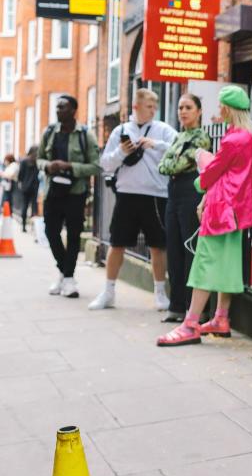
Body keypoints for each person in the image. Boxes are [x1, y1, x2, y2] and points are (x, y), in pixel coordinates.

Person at [156, 86, 252, 347]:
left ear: (227, 108)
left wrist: (201, 171)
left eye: (221, 104)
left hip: (221, 209)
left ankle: (190, 324)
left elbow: (212, 173)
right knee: (227, 264)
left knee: (204, 263)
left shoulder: (234, 139)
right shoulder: (245, 136)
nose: (218, 109)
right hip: (236, 210)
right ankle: (221, 317)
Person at [92, 88, 178, 311]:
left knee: (158, 246)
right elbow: (105, 164)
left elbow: (180, 149)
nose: (153, 111)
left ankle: (160, 293)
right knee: (117, 243)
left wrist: (156, 144)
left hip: (156, 195)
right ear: (136, 107)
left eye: (154, 107)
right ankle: (108, 292)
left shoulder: (163, 130)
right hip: (127, 195)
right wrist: (121, 152)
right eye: (149, 106)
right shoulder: (121, 130)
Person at [36, 96, 102, 298]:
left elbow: (96, 166)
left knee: (74, 235)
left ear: (73, 110)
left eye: (62, 107)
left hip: (75, 193)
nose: (58, 110)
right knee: (50, 232)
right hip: (53, 192)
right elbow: (39, 159)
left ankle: (68, 279)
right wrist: (48, 166)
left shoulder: (85, 135)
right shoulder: (49, 132)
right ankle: (65, 274)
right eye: (57, 107)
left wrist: (70, 167)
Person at [157, 94, 212, 323]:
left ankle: (194, 309)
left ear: (199, 111)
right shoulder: (179, 137)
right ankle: (176, 305)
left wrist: (171, 163)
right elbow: (163, 166)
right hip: (173, 193)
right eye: (180, 107)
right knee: (174, 250)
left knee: (191, 250)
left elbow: (176, 164)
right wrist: (171, 164)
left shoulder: (202, 137)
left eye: (188, 107)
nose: (183, 111)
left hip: (191, 192)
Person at [16, 146, 40, 233]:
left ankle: (23, 226)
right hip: (34, 187)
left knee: (25, 207)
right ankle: (34, 228)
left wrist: (21, 182)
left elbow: (20, 175)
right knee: (34, 208)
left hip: (25, 187)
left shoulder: (24, 161)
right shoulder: (36, 162)